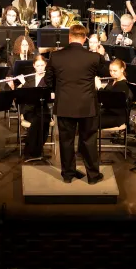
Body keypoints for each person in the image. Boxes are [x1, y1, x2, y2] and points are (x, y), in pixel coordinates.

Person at [45, 24, 105, 184]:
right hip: (87, 106)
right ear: (85, 39)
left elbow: (48, 81)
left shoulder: (55, 56)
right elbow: (104, 73)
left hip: (64, 105)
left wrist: (60, 88)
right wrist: (102, 56)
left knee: (66, 141)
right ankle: (93, 176)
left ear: (69, 38)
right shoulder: (94, 57)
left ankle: (68, 175)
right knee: (89, 140)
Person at [15, 55, 52, 160]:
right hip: (30, 109)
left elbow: (44, 94)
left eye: (42, 65)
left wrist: (24, 83)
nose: (40, 68)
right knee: (38, 121)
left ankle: (31, 150)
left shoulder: (48, 79)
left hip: (43, 109)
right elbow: (24, 95)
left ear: (45, 66)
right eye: (38, 66)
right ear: (34, 66)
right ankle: (36, 151)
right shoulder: (29, 78)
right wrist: (20, 83)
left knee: (39, 121)